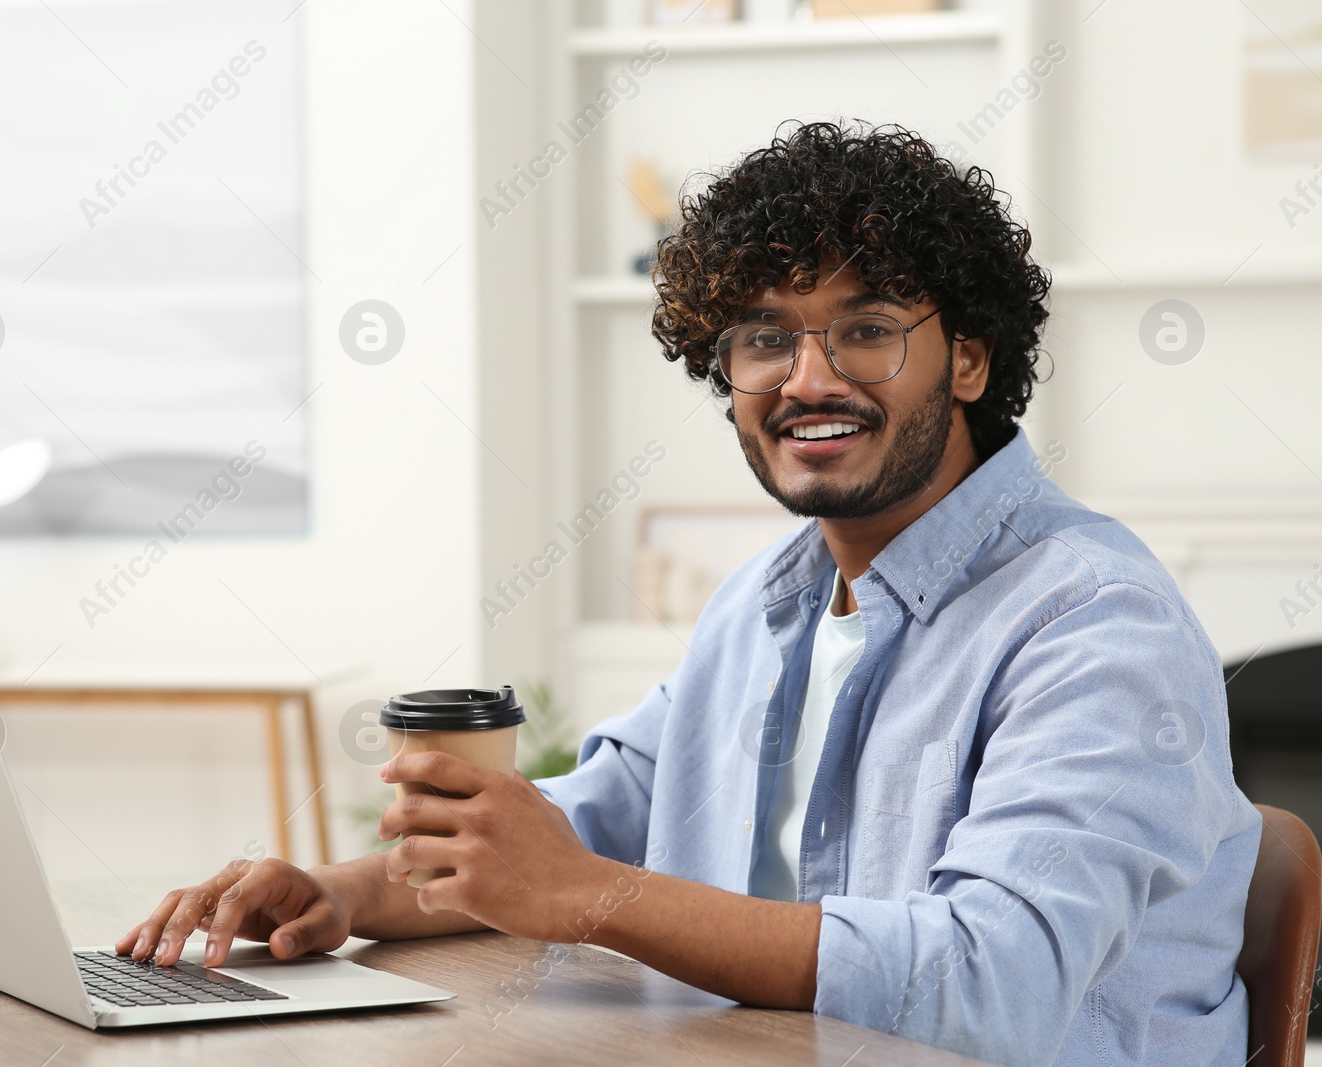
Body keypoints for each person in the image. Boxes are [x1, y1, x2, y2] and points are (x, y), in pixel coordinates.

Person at [119, 121, 1260, 1067]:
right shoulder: (772, 598)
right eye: (765, 337)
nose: (807, 379)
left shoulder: (1094, 621)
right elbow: (598, 821)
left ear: (968, 357)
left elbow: (985, 989)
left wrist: (587, 898)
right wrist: (335, 889)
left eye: (866, 330)